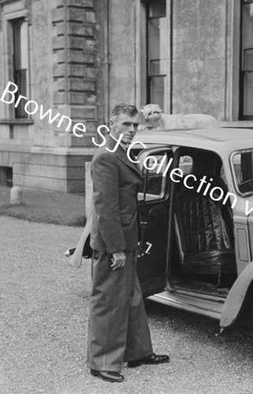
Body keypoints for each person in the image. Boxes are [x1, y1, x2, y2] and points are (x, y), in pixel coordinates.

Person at [87, 104, 169, 383]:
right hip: (114, 243)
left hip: (127, 238)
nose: (132, 130)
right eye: (126, 125)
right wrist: (116, 249)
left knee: (133, 298)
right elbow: (105, 208)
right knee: (109, 301)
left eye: (135, 125)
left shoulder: (121, 153)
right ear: (111, 123)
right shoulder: (106, 158)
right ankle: (102, 363)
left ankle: (138, 352)